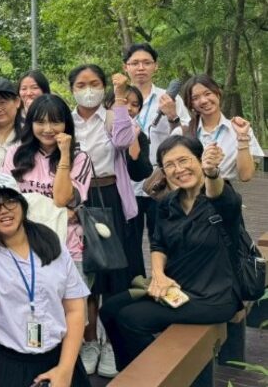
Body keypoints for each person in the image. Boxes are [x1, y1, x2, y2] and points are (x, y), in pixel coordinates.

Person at [99, 135, 243, 370]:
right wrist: (158, 275)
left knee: (131, 319)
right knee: (110, 309)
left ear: (199, 160)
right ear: (163, 172)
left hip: (213, 296)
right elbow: (158, 245)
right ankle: (132, 372)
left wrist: (212, 172)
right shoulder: (168, 203)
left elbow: (218, 193)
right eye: (170, 165)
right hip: (175, 288)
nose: (179, 169)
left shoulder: (220, 199)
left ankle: (158, 373)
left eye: (185, 160)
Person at [0, 179, 91, 387]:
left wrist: (65, 371)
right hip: (3, 363)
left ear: (22, 203)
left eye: (10, 201)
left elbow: (75, 309)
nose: (4, 210)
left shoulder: (50, 242)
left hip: (57, 359)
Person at [68, 66, 139, 377]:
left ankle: (110, 342)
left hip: (109, 195)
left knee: (112, 272)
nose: (88, 89)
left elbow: (124, 141)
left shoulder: (113, 117)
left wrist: (120, 97)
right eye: (81, 84)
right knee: (85, 272)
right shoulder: (65, 120)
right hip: (76, 200)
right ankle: (89, 340)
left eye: (94, 84)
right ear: (71, 88)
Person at [0, 94, 92, 264]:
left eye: (55, 122)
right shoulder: (15, 154)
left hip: (67, 248)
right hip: (22, 245)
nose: (48, 129)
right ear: (31, 124)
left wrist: (65, 154)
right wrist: (58, 213)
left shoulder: (79, 158)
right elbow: (6, 201)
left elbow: (61, 199)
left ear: (66, 124)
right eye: (40, 122)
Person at [121, 43, 189, 239]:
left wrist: (172, 115)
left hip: (160, 182)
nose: (140, 68)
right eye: (135, 63)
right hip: (126, 183)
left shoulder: (168, 99)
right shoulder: (117, 100)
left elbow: (185, 138)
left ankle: (160, 271)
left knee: (163, 239)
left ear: (155, 66)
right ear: (126, 67)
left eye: (146, 63)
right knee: (128, 243)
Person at [175, 74, 263, 182]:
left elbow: (246, 176)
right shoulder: (181, 133)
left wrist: (242, 137)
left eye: (207, 93)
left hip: (224, 194)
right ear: (191, 104)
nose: (203, 100)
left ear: (218, 94)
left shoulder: (239, 130)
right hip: (190, 195)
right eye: (195, 98)